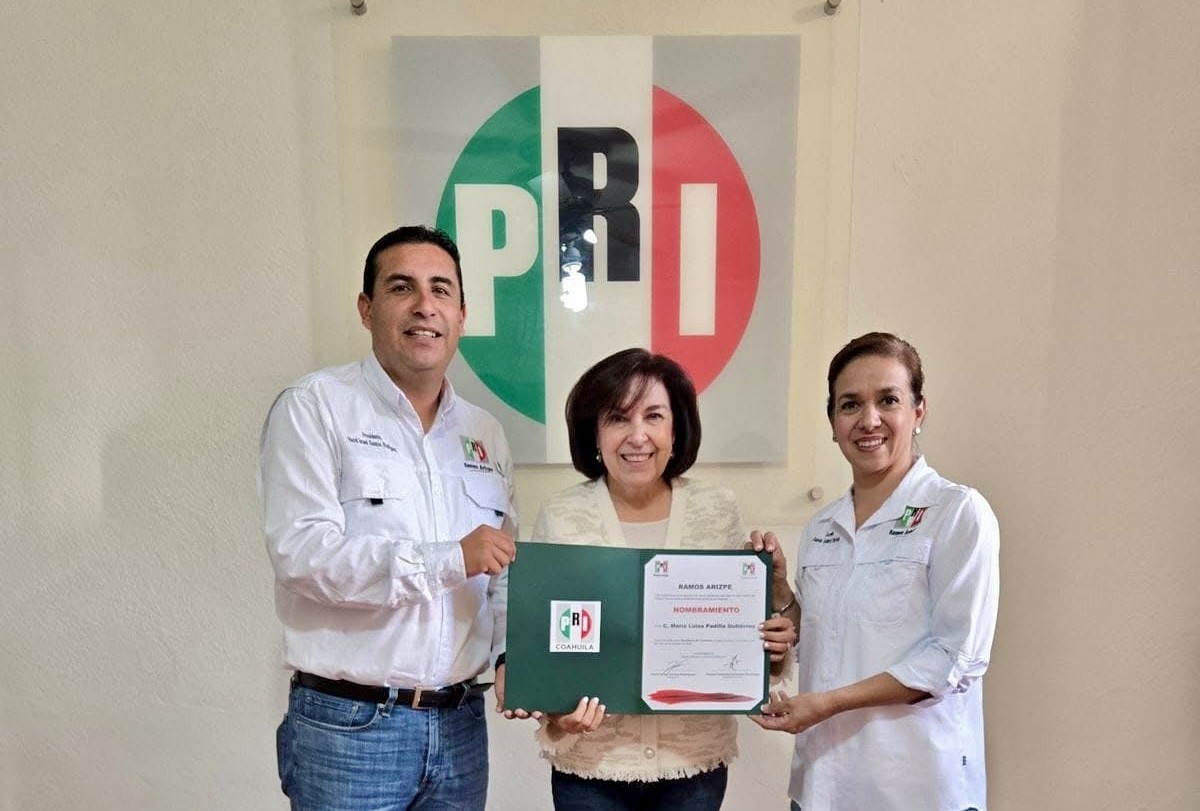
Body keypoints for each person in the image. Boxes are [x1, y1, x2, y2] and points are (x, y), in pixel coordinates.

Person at [257, 225, 518, 811]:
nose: (425, 305)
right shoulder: (315, 408)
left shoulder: (486, 432)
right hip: (350, 729)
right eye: (402, 287)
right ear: (366, 308)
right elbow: (303, 556)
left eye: (441, 290)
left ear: (462, 314)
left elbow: (503, 571)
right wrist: (451, 559)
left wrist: (510, 656)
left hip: (461, 726)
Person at [505, 348, 797, 811]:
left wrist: (772, 645)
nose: (637, 436)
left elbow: (745, 641)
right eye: (618, 418)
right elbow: (550, 645)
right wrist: (558, 717)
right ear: (594, 432)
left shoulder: (716, 510)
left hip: (694, 765)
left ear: (676, 430)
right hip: (592, 767)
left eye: (654, 416)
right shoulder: (562, 516)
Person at [750, 332, 1000, 811]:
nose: (869, 420)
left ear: (918, 411)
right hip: (821, 787)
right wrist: (781, 591)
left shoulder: (955, 512)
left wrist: (826, 704)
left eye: (888, 400)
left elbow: (953, 658)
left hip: (914, 788)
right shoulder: (822, 526)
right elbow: (826, 638)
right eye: (850, 404)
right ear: (832, 422)